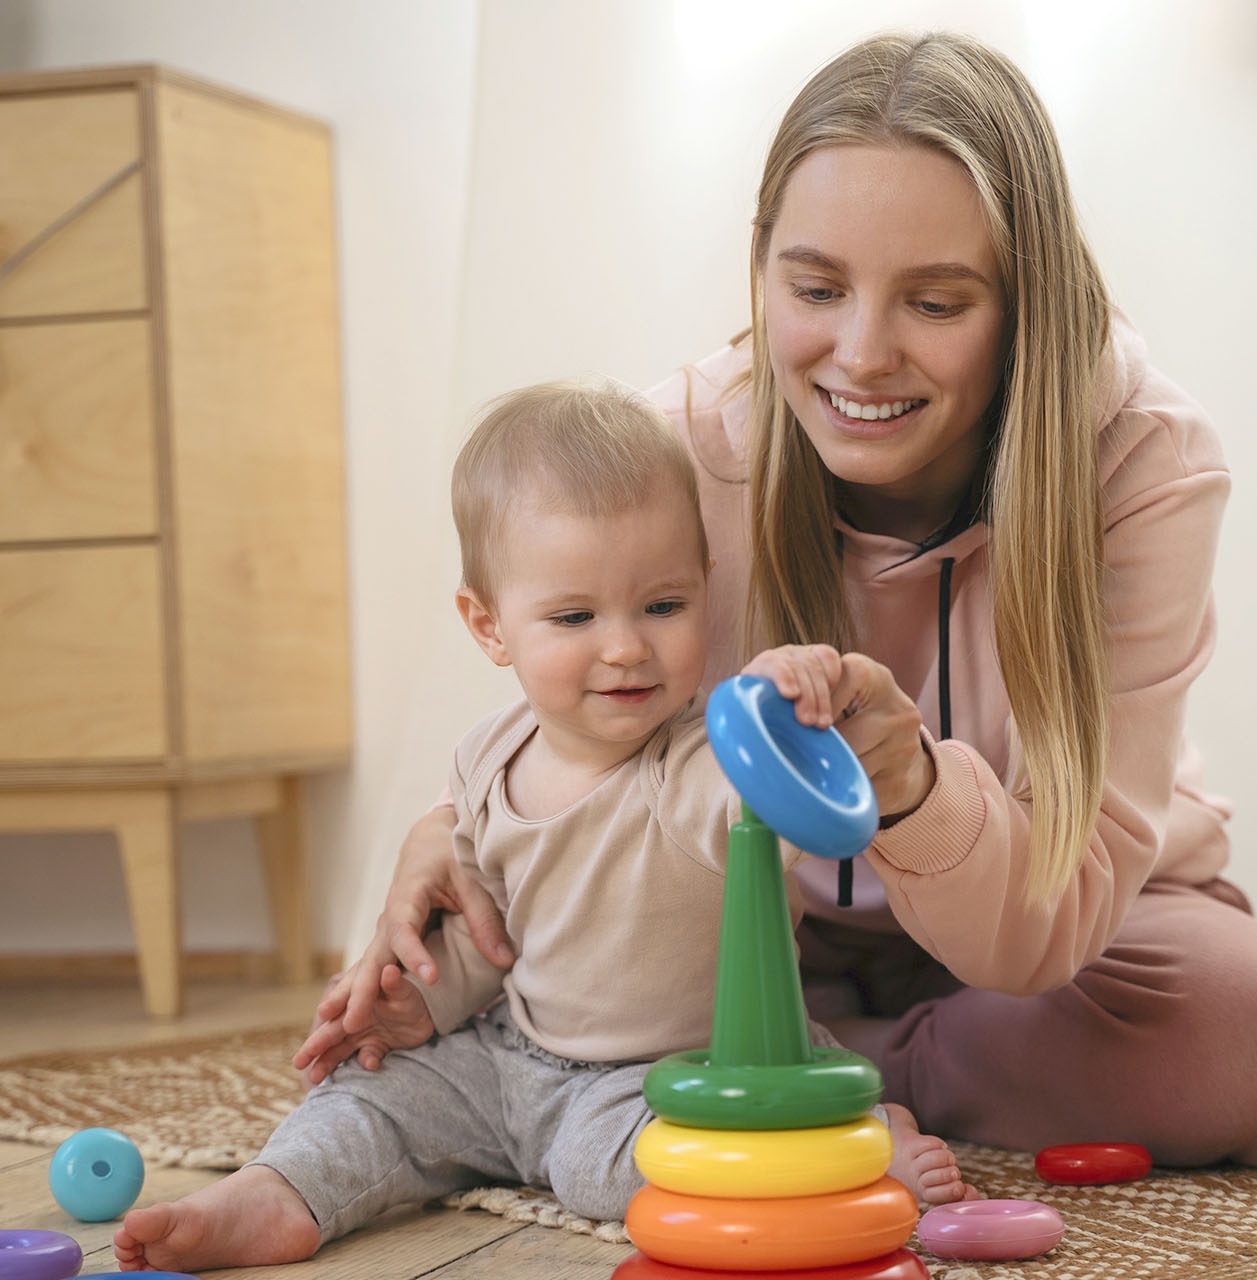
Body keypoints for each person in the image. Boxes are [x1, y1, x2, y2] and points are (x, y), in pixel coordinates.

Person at [312, 30, 1257, 1170]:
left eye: (936, 302)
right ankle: (800, 1052)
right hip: (768, 925)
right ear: (761, 265)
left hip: (1064, 926)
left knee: (1249, 1031)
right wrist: (448, 827)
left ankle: (803, 1068)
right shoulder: (678, 450)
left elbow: (1052, 917)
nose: (860, 354)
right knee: (592, 967)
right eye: (814, 288)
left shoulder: (1142, 461)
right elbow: (584, 718)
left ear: (1024, 298)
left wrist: (911, 786)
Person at [113, 381, 972, 1274]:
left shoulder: (699, 766)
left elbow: (770, 802)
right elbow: (491, 935)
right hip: (510, 1054)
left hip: (669, 1075)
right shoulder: (487, 760)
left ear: (703, 591)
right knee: (366, 1097)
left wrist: (793, 703)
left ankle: (844, 1149)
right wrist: (418, 1007)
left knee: (615, 1167)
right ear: (489, 627)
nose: (626, 647)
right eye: (574, 617)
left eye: (663, 606)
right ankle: (277, 1194)